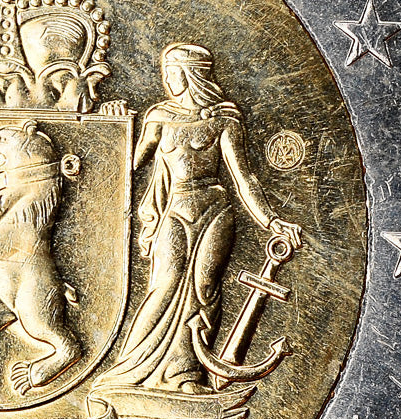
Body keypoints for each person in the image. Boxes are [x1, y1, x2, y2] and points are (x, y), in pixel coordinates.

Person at [95, 43, 301, 396]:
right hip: (174, 210)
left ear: (192, 75)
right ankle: (131, 370)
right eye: (165, 73)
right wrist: (110, 123)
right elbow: (126, 166)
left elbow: (244, 178)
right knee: (164, 285)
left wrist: (271, 221)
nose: (167, 80)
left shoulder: (224, 118)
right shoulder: (160, 117)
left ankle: (186, 375)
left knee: (204, 291)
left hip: (215, 211)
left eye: (172, 72)